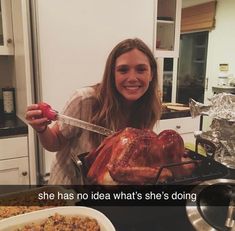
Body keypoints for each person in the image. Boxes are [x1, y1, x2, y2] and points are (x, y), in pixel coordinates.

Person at [25, 38, 162, 184]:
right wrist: (41, 129)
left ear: (151, 74)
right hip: (72, 188)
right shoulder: (85, 100)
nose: (132, 78)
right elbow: (55, 143)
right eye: (123, 70)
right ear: (112, 74)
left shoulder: (150, 106)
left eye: (141, 69)